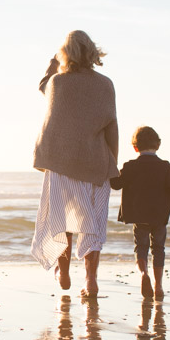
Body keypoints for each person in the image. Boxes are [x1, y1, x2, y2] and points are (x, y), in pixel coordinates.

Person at [32, 30, 119, 298]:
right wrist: (113, 164)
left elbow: (43, 84)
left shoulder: (58, 82)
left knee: (63, 218)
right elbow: (111, 126)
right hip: (95, 163)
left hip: (61, 163)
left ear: (65, 53)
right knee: (93, 223)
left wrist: (55, 60)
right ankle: (90, 280)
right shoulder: (105, 84)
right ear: (93, 53)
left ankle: (64, 271)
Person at [109, 126, 170, 300]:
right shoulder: (166, 167)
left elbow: (115, 184)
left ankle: (143, 274)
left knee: (141, 247)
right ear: (158, 145)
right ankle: (158, 285)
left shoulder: (130, 167)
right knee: (159, 248)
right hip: (159, 216)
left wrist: (108, 167)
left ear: (135, 147)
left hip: (139, 215)